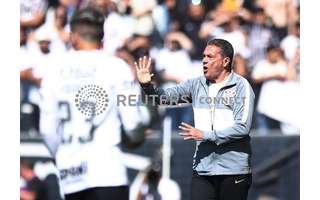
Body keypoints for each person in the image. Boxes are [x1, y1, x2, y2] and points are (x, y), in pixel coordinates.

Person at [39, 8, 150, 200]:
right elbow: (132, 122)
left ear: (73, 36)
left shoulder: (53, 71)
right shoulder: (116, 67)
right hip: (107, 171)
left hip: (71, 173)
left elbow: (47, 130)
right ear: (102, 35)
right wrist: (137, 135)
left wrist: (65, 155)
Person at [135, 38, 255, 200]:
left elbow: (242, 127)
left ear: (226, 61)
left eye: (210, 57)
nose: (204, 60)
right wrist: (147, 86)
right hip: (203, 168)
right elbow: (164, 98)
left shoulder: (241, 86)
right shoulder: (196, 85)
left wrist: (206, 135)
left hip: (233, 170)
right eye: (204, 56)